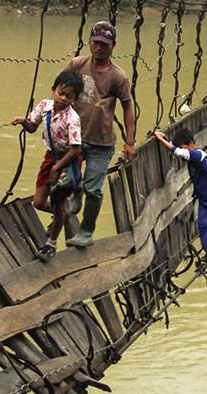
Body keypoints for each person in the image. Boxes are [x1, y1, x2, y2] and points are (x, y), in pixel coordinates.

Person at [63, 21, 136, 248]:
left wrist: (130, 142)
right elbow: (60, 88)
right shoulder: (77, 65)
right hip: (74, 137)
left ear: (113, 46)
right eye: (96, 43)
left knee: (93, 189)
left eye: (104, 44)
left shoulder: (118, 76)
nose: (99, 48)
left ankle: (86, 232)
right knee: (69, 180)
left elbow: (127, 107)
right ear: (89, 42)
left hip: (101, 142)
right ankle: (76, 191)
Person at [12, 70, 84, 262]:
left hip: (68, 161)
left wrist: (56, 169)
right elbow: (33, 127)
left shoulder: (72, 118)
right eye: (61, 93)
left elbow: (76, 150)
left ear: (74, 99)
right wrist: (23, 122)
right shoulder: (44, 106)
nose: (63, 98)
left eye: (69, 96)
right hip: (51, 157)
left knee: (58, 201)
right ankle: (65, 214)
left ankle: (51, 244)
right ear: (53, 90)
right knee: (39, 202)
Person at [153, 129, 207, 264]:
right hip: (203, 198)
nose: (183, 152)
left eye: (185, 148)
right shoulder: (190, 155)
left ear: (191, 144)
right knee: (203, 224)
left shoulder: (198, 155)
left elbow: (178, 152)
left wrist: (161, 139)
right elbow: (177, 149)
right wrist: (164, 138)